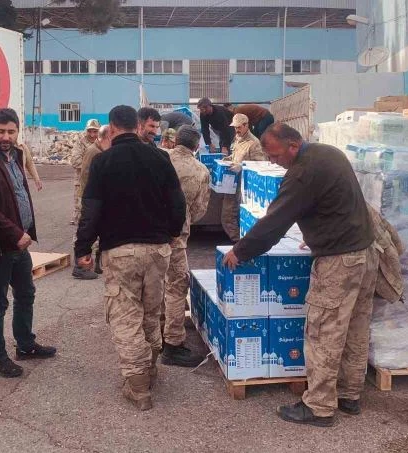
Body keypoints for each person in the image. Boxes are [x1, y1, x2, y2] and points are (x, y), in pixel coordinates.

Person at [221, 123, 377, 428]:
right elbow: (338, 203)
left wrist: (241, 250)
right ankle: (349, 395)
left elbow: (276, 221)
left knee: (323, 332)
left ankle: (318, 406)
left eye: (276, 155)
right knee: (355, 328)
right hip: (365, 253)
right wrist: (319, 232)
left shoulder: (303, 173)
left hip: (339, 262)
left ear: (294, 145)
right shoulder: (328, 153)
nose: (273, 161)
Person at [75, 105, 186, 411]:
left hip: (120, 251)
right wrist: (172, 233)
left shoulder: (103, 161)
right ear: (137, 125)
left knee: (126, 316)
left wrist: (83, 248)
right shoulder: (161, 158)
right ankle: (150, 370)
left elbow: (91, 211)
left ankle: (138, 386)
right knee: (151, 312)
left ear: (111, 127)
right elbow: (178, 204)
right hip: (158, 250)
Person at [0, 108, 57, 379]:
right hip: (0, 245)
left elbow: (19, 192)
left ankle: (25, 344)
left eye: (11, 131)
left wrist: (26, 230)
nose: (6, 136)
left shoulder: (17, 155)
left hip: (20, 242)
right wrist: (15, 232)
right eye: (0, 131)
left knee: (26, 293)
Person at [161, 125, 210, 367]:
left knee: (152, 283)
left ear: (174, 140)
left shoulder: (159, 158)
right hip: (177, 237)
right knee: (177, 286)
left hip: (149, 233)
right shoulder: (200, 170)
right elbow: (200, 210)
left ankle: (155, 329)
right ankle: (172, 343)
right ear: (196, 146)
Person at [71, 125, 111, 279]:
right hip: (89, 198)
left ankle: (94, 265)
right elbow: (87, 176)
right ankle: (80, 267)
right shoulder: (93, 152)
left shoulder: (99, 151)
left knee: (95, 232)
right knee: (86, 231)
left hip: (94, 198)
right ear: (105, 138)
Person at [221, 113, 266, 242]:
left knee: (241, 215)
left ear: (246, 125)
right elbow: (235, 155)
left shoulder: (254, 143)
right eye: (235, 127)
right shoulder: (237, 139)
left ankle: (240, 242)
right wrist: (228, 159)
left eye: (239, 127)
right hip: (233, 182)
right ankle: (237, 240)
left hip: (245, 186)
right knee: (227, 215)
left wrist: (241, 166)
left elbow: (260, 164)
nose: (236, 130)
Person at [70, 119, 100, 225]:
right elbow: (75, 161)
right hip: (82, 183)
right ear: (86, 130)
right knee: (81, 212)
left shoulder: (102, 142)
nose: (92, 134)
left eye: (95, 131)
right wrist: (96, 166)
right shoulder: (80, 142)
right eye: (90, 131)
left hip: (99, 183)